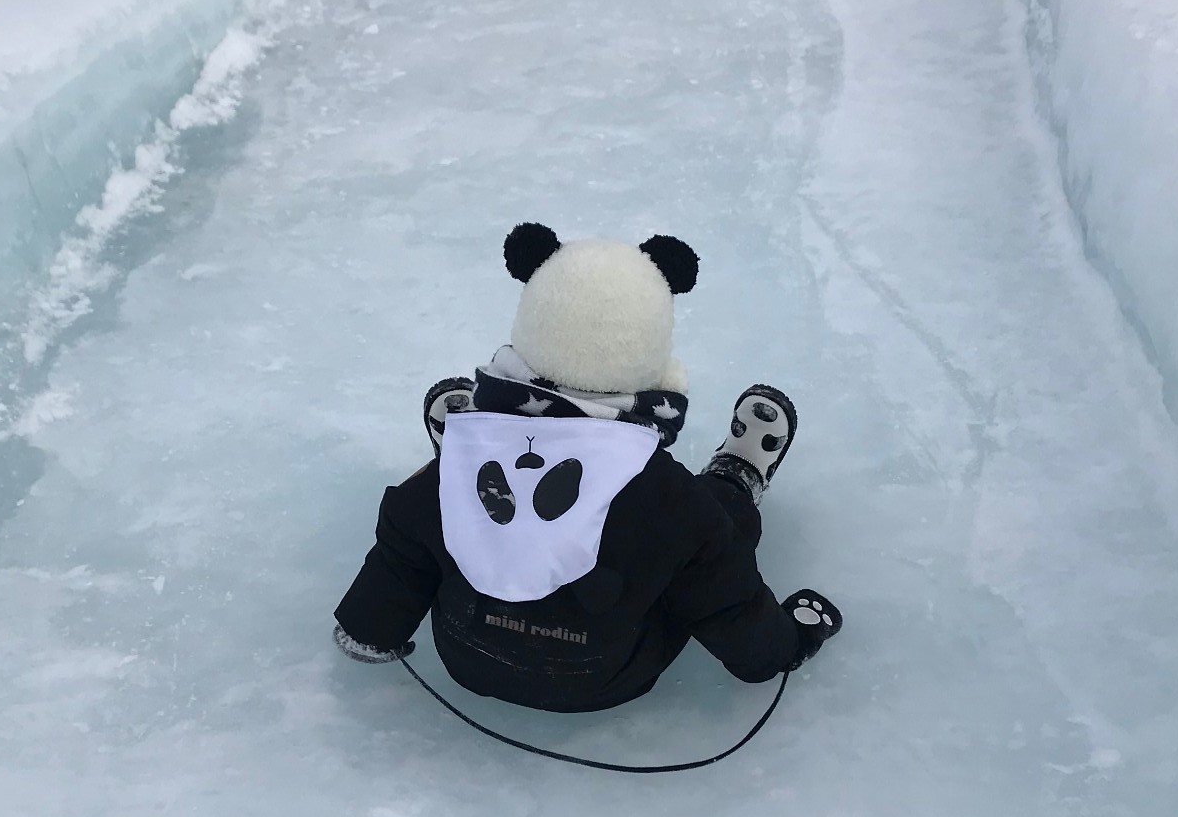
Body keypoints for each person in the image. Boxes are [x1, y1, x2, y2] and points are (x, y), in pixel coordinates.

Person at [333, 222, 842, 716]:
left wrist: (366, 630)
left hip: (471, 660)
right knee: (713, 523)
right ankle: (737, 475)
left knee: (437, 509)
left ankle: (475, 446)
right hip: (604, 677)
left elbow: (400, 557)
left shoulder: (433, 488)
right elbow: (728, 604)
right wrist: (787, 645)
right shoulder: (667, 497)